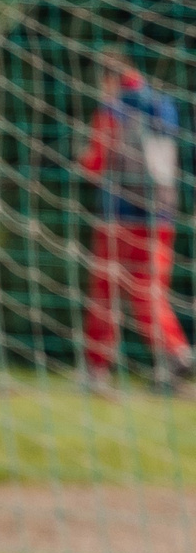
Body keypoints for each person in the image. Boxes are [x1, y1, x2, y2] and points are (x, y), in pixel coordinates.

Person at [81, 52, 191, 393]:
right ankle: (177, 353)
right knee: (150, 292)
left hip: (120, 217)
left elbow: (95, 164)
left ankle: (96, 371)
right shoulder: (164, 107)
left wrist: (83, 159)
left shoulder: (113, 110)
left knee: (106, 293)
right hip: (161, 217)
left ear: (109, 79)